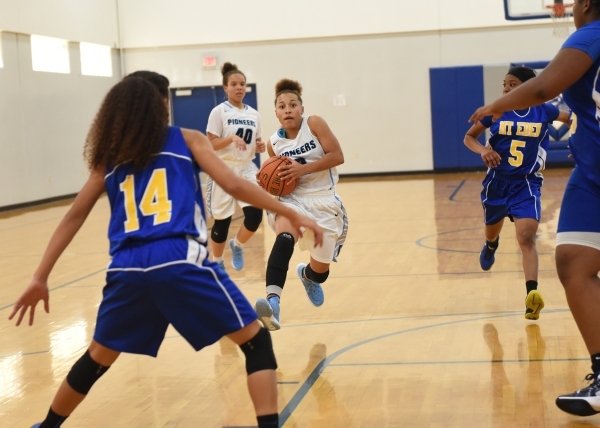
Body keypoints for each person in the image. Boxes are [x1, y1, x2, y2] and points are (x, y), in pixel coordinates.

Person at [9, 71, 324, 428]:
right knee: (256, 343)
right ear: (160, 105)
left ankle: (46, 426)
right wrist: (289, 210)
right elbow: (234, 184)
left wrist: (39, 276)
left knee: (98, 356)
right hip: (179, 258)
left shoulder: (109, 157)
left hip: (126, 268)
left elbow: (72, 217)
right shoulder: (185, 139)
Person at [469, 0, 600, 416]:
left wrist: (495, 105)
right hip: (582, 172)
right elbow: (473, 138)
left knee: (534, 240)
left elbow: (545, 88)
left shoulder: (590, 35)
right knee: (573, 262)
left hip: (537, 181)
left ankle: (530, 292)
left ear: (583, 5)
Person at [464, 66, 571, 321]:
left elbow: (573, 119)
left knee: (526, 237)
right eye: (504, 84)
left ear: (527, 87)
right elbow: (469, 137)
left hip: (527, 183)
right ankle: (491, 245)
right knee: (492, 227)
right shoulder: (496, 111)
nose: (506, 88)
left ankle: (531, 295)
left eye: (512, 84)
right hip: (497, 182)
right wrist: (483, 151)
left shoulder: (544, 110)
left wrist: (583, 139)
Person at [254, 79, 348, 331]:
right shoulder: (274, 143)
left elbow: (337, 156)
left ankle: (308, 276)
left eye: (292, 105)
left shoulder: (314, 124)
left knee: (321, 272)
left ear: (301, 109)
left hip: (324, 200)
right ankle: (273, 304)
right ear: (276, 113)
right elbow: (279, 180)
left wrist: (302, 169)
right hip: (292, 201)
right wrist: (266, 180)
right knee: (285, 236)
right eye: (282, 106)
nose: (288, 110)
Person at [206, 62, 265, 271]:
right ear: (225, 88)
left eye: (242, 84)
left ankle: (237, 245)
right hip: (223, 169)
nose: (239, 87)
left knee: (255, 215)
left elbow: (256, 144)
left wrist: (259, 146)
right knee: (222, 221)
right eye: (234, 84)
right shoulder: (219, 112)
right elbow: (210, 144)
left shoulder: (254, 114)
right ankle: (218, 261)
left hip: (247, 169)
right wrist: (230, 139)